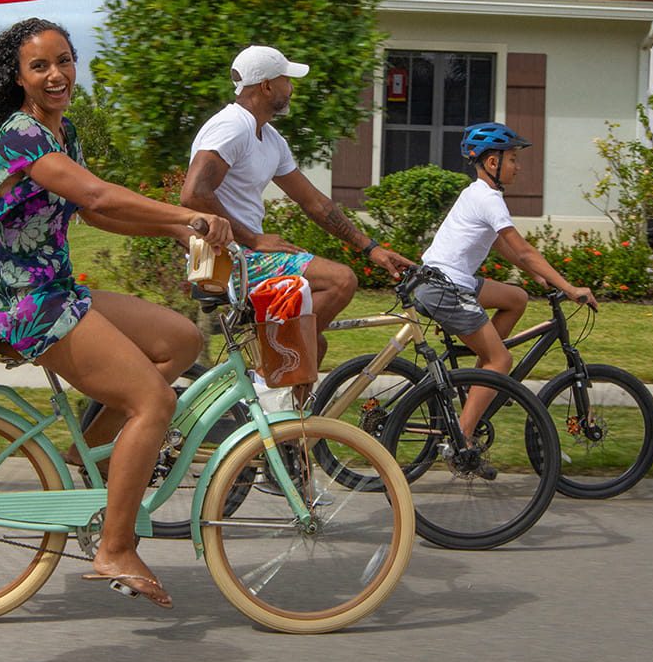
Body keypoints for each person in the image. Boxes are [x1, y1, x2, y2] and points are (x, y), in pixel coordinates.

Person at [0, 17, 232, 610]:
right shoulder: (22, 136)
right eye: (40, 66)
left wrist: (174, 231)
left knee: (180, 341)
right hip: (26, 303)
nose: (56, 74)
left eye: (64, 61)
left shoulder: (60, 132)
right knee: (154, 401)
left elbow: (94, 214)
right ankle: (115, 548)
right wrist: (183, 216)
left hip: (57, 287)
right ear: (17, 79)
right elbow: (96, 195)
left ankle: (85, 454)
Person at [182, 45, 412, 362]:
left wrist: (370, 248)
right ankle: (276, 357)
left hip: (243, 252)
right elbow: (193, 193)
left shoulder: (270, 138)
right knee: (340, 281)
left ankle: (288, 398)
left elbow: (315, 202)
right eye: (286, 81)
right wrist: (253, 239)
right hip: (227, 256)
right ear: (266, 86)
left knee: (314, 347)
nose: (291, 89)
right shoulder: (232, 126)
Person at [414, 122, 596, 474]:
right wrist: (571, 288)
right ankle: (461, 442)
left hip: (445, 282)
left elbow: (498, 244)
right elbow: (522, 249)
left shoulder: (477, 194)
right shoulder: (487, 197)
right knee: (501, 361)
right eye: (513, 158)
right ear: (492, 163)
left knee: (516, 298)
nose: (518, 165)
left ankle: (480, 378)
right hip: (446, 288)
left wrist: (536, 275)